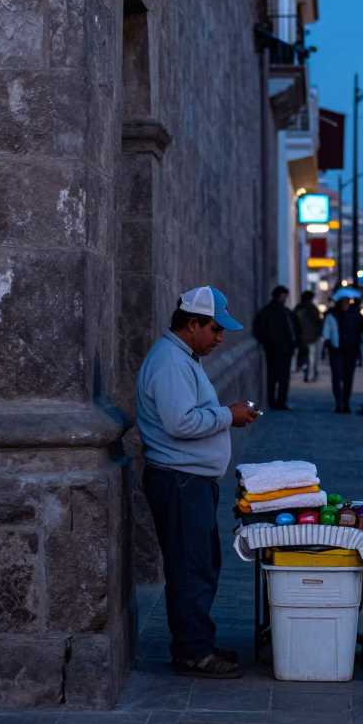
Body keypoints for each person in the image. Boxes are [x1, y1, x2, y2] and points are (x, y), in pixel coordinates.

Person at [136, 286, 259, 680]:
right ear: (193, 324)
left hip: (190, 480)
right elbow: (180, 422)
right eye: (216, 329)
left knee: (201, 566)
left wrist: (227, 415)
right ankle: (192, 652)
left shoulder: (183, 357)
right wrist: (229, 415)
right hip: (179, 480)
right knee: (191, 568)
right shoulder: (171, 362)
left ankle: (197, 642)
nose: (220, 338)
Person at [253, 285, 298, 410]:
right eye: (284, 296)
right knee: (280, 377)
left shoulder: (273, 311)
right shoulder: (280, 312)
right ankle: (278, 401)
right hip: (278, 349)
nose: (285, 298)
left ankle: (275, 401)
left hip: (277, 349)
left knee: (275, 377)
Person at [322, 292, 363, 413]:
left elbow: (362, 331)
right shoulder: (333, 315)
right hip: (337, 350)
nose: (345, 304)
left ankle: (345, 402)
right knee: (337, 377)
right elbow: (326, 332)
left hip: (350, 350)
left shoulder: (355, 315)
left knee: (347, 378)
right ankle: (339, 402)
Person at [294, 289, 323, 382]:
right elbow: (318, 322)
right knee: (311, 356)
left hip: (301, 336)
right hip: (311, 336)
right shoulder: (312, 308)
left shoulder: (298, 308)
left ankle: (306, 372)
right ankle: (310, 375)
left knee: (304, 355)